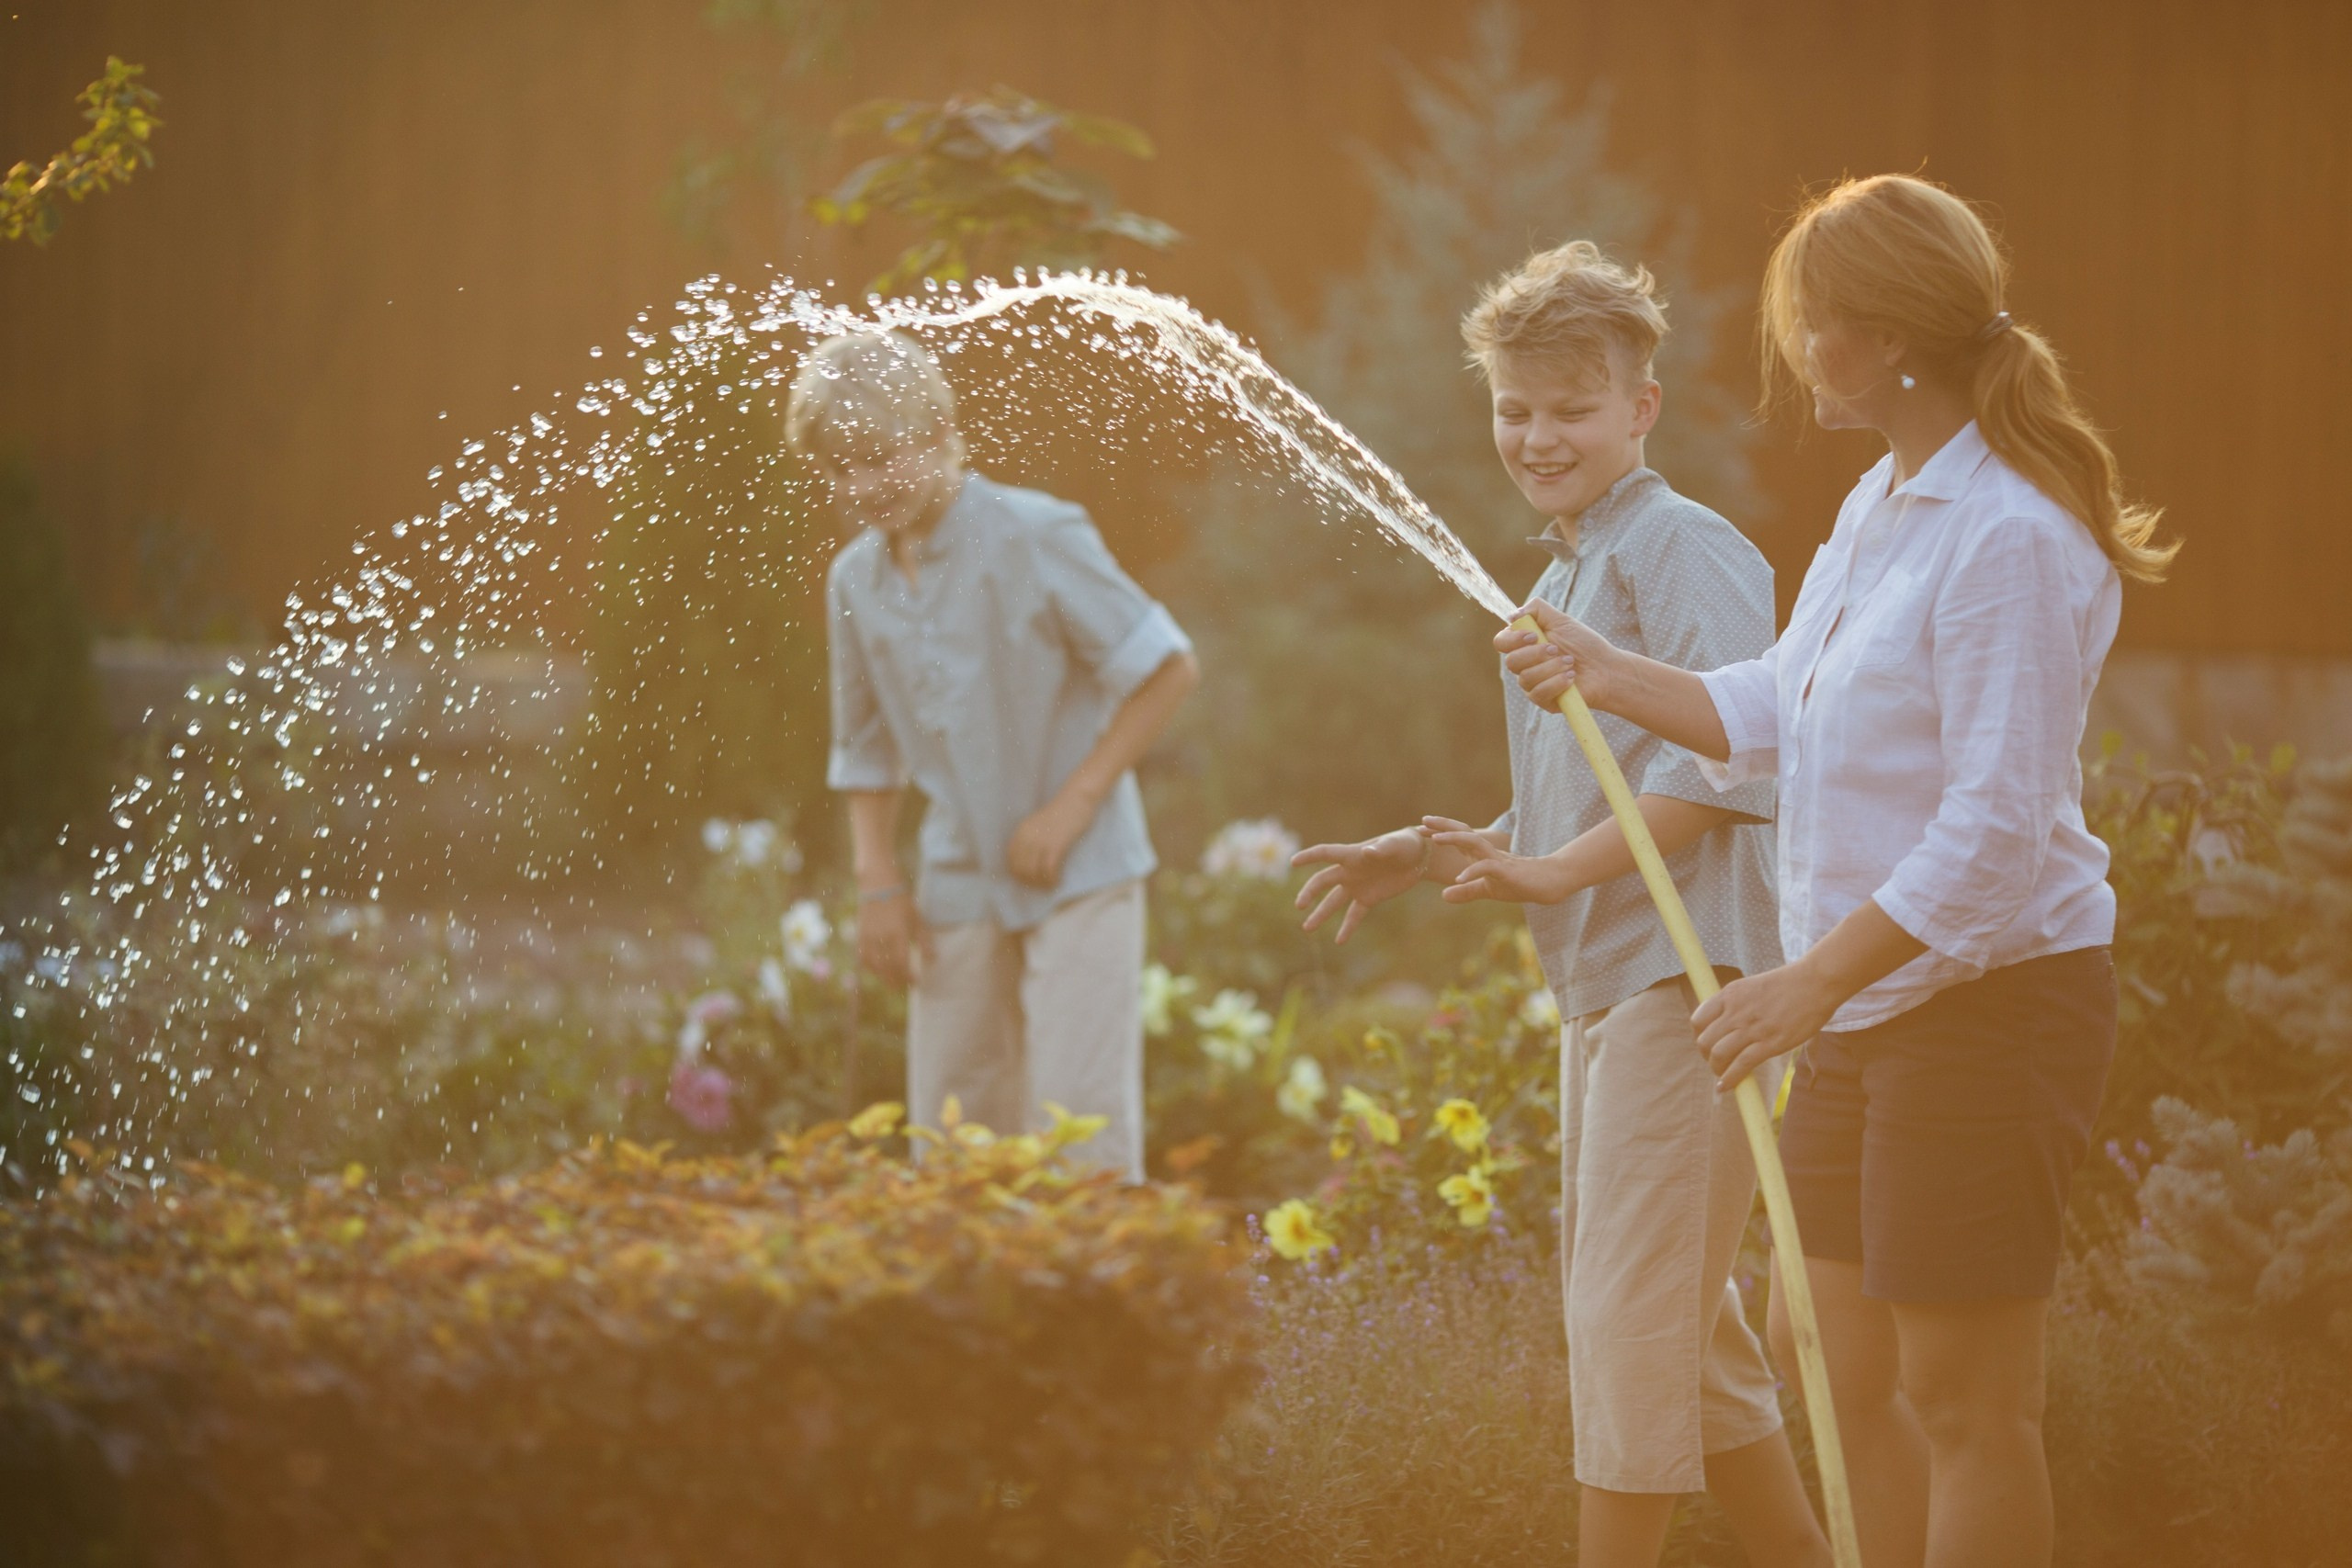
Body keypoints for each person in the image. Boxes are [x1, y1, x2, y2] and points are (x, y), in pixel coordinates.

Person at [1502, 175, 2175, 1568]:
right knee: (1851, 1381)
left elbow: (1996, 833)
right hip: (1867, 1009)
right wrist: (1608, 669)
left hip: (1988, 1007)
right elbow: (1772, 703)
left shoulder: (2010, 538)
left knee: (1966, 1401)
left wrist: (1806, 981)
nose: (1798, 349)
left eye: (1814, 322)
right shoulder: (1884, 502)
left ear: (1890, 335)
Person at [1292, 242, 1831, 1568]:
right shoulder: (1559, 574)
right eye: (1515, 409)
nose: (1538, 437)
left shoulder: (1686, 547)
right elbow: (1584, 799)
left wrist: (1543, 873)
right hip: (1608, 982)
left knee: (1623, 1318)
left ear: (1642, 407)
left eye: (1571, 408)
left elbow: (1723, 774)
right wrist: (1431, 850)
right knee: (1681, 1335)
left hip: (1693, 983)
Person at [790, 330, 1199, 1181]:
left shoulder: (1036, 533)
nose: (859, 486)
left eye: (877, 456)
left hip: (1080, 867)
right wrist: (878, 884)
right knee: (951, 1137)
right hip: (958, 872)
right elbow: (865, 752)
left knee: (1076, 1137)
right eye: (836, 469)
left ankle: (1092, 1308)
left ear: (939, 430)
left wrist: (1073, 804)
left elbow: (1166, 667)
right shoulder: (854, 583)